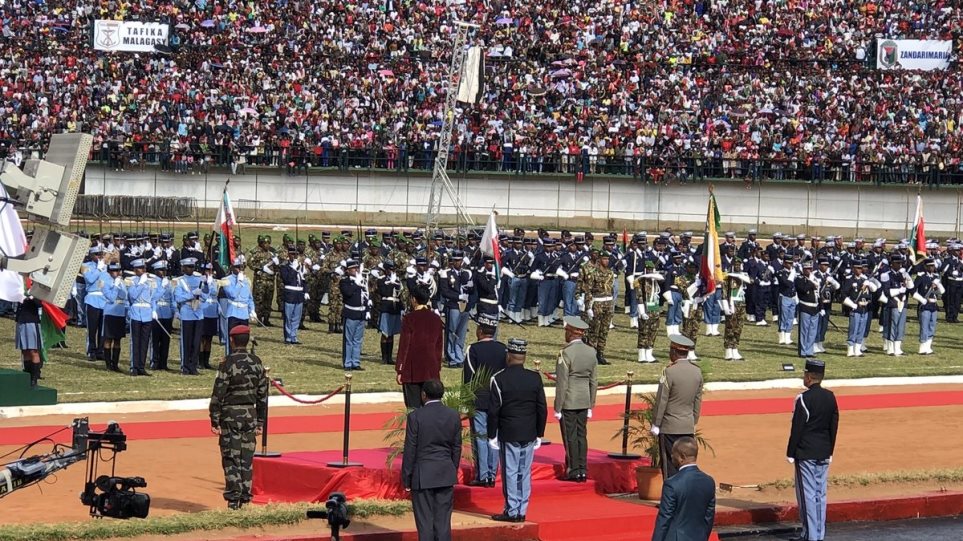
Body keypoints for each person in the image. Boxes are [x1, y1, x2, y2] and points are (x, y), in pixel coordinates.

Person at [487, 338, 547, 523]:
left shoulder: (498, 379)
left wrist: (491, 435)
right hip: (529, 432)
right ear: (524, 357)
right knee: (525, 472)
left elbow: (494, 410)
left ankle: (512, 510)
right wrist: (539, 433)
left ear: (508, 356)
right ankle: (521, 509)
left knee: (511, 472)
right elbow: (541, 408)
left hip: (509, 432)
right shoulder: (534, 377)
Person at [209, 325, 269, 510]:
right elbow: (263, 396)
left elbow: (218, 393)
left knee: (231, 457)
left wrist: (214, 419)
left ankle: (234, 500)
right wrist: (260, 421)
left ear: (232, 340)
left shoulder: (227, 363)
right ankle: (245, 497)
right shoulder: (257, 362)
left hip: (230, 415)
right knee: (246, 458)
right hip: (249, 415)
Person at [401, 379, 462, 541]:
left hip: (423, 476)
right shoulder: (453, 415)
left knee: (425, 523)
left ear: (423, 395)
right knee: (443, 522)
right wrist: (452, 469)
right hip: (445, 473)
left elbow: (410, 449)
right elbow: (456, 448)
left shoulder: (416, 416)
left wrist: (407, 478)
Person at [786, 359, 839, 541]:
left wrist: (790, 452)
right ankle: (818, 534)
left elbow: (797, 428)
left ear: (809, 377)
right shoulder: (831, 397)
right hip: (824, 451)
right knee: (820, 494)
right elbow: (833, 426)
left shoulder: (803, 399)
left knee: (807, 495)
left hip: (806, 452)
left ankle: (811, 536)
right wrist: (830, 450)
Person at [651, 335, 703, 479]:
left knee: (669, 465)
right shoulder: (697, 371)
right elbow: (697, 400)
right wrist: (693, 420)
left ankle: (670, 499)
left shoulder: (669, 372)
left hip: (670, 426)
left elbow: (662, 400)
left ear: (673, 352)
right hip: (687, 425)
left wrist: (656, 423)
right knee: (686, 465)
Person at [464, 313, 507, 487]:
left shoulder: (473, 350)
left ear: (480, 331)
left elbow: (468, 379)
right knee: (494, 437)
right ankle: (491, 474)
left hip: (479, 400)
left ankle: (482, 475)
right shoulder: (503, 349)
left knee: (480, 437)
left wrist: (466, 403)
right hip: (499, 399)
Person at [554, 316, 598, 483]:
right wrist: (591, 404)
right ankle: (582, 469)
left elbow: (562, 383)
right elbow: (594, 380)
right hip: (584, 399)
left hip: (569, 400)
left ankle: (573, 469)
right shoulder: (591, 352)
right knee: (581, 435)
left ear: (571, 333)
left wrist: (558, 407)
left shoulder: (565, 353)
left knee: (570, 436)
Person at [651, 437, 716, 541]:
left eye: (673, 453)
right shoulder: (709, 482)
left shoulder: (671, 484)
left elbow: (664, 519)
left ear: (682, 457)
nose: (671, 456)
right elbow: (709, 517)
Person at [396, 286, 444, 407]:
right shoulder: (436, 319)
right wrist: (437, 367)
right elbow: (439, 346)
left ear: (413, 299)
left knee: (413, 407)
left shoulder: (409, 319)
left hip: (412, 368)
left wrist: (400, 369)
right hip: (431, 367)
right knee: (431, 406)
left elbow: (404, 345)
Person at [126, 259, 156, 377]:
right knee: (135, 341)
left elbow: (153, 298)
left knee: (145, 342)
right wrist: (141, 284)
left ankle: (141, 366)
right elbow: (132, 296)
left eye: (143, 268)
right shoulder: (132, 282)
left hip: (147, 314)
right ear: (134, 270)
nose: (142, 271)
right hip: (136, 313)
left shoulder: (150, 282)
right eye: (140, 268)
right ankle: (134, 366)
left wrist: (154, 310)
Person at [340, 258, 368, 369]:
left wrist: (367, 309)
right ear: (347, 270)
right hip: (351, 312)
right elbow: (347, 293)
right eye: (353, 268)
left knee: (358, 340)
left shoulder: (361, 280)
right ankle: (347, 363)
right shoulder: (344, 281)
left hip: (360, 313)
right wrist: (356, 284)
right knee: (349, 339)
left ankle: (356, 362)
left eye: (356, 268)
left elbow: (365, 295)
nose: (355, 270)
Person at [101, 262, 128, 373]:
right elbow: (111, 298)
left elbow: (125, 297)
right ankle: (108, 364)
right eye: (113, 271)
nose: (116, 273)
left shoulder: (122, 283)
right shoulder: (105, 283)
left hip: (120, 312)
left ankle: (115, 364)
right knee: (108, 339)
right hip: (110, 312)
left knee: (117, 340)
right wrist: (116, 286)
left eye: (117, 270)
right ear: (109, 272)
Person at [376, 260, 404, 364]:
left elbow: (400, 294)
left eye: (393, 269)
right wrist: (391, 284)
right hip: (386, 307)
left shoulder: (397, 280)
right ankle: (384, 357)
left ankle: (389, 357)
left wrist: (402, 308)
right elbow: (384, 292)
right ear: (386, 270)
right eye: (390, 269)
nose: (392, 271)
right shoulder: (381, 280)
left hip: (395, 307)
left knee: (391, 333)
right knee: (385, 333)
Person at [150, 260, 175, 370]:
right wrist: (162, 288)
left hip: (167, 313)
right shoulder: (152, 282)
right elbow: (153, 297)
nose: (163, 272)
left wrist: (174, 311)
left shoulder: (168, 282)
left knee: (166, 340)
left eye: (165, 270)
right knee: (155, 339)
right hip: (157, 312)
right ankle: (154, 361)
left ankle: (163, 363)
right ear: (156, 271)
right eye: (161, 270)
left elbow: (172, 299)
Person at [16, 293, 43, 387]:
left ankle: (34, 378)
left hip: (32, 320)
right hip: (21, 320)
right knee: (25, 350)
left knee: (33, 350)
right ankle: (27, 375)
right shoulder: (20, 286)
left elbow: (40, 303)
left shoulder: (36, 287)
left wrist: (32, 296)